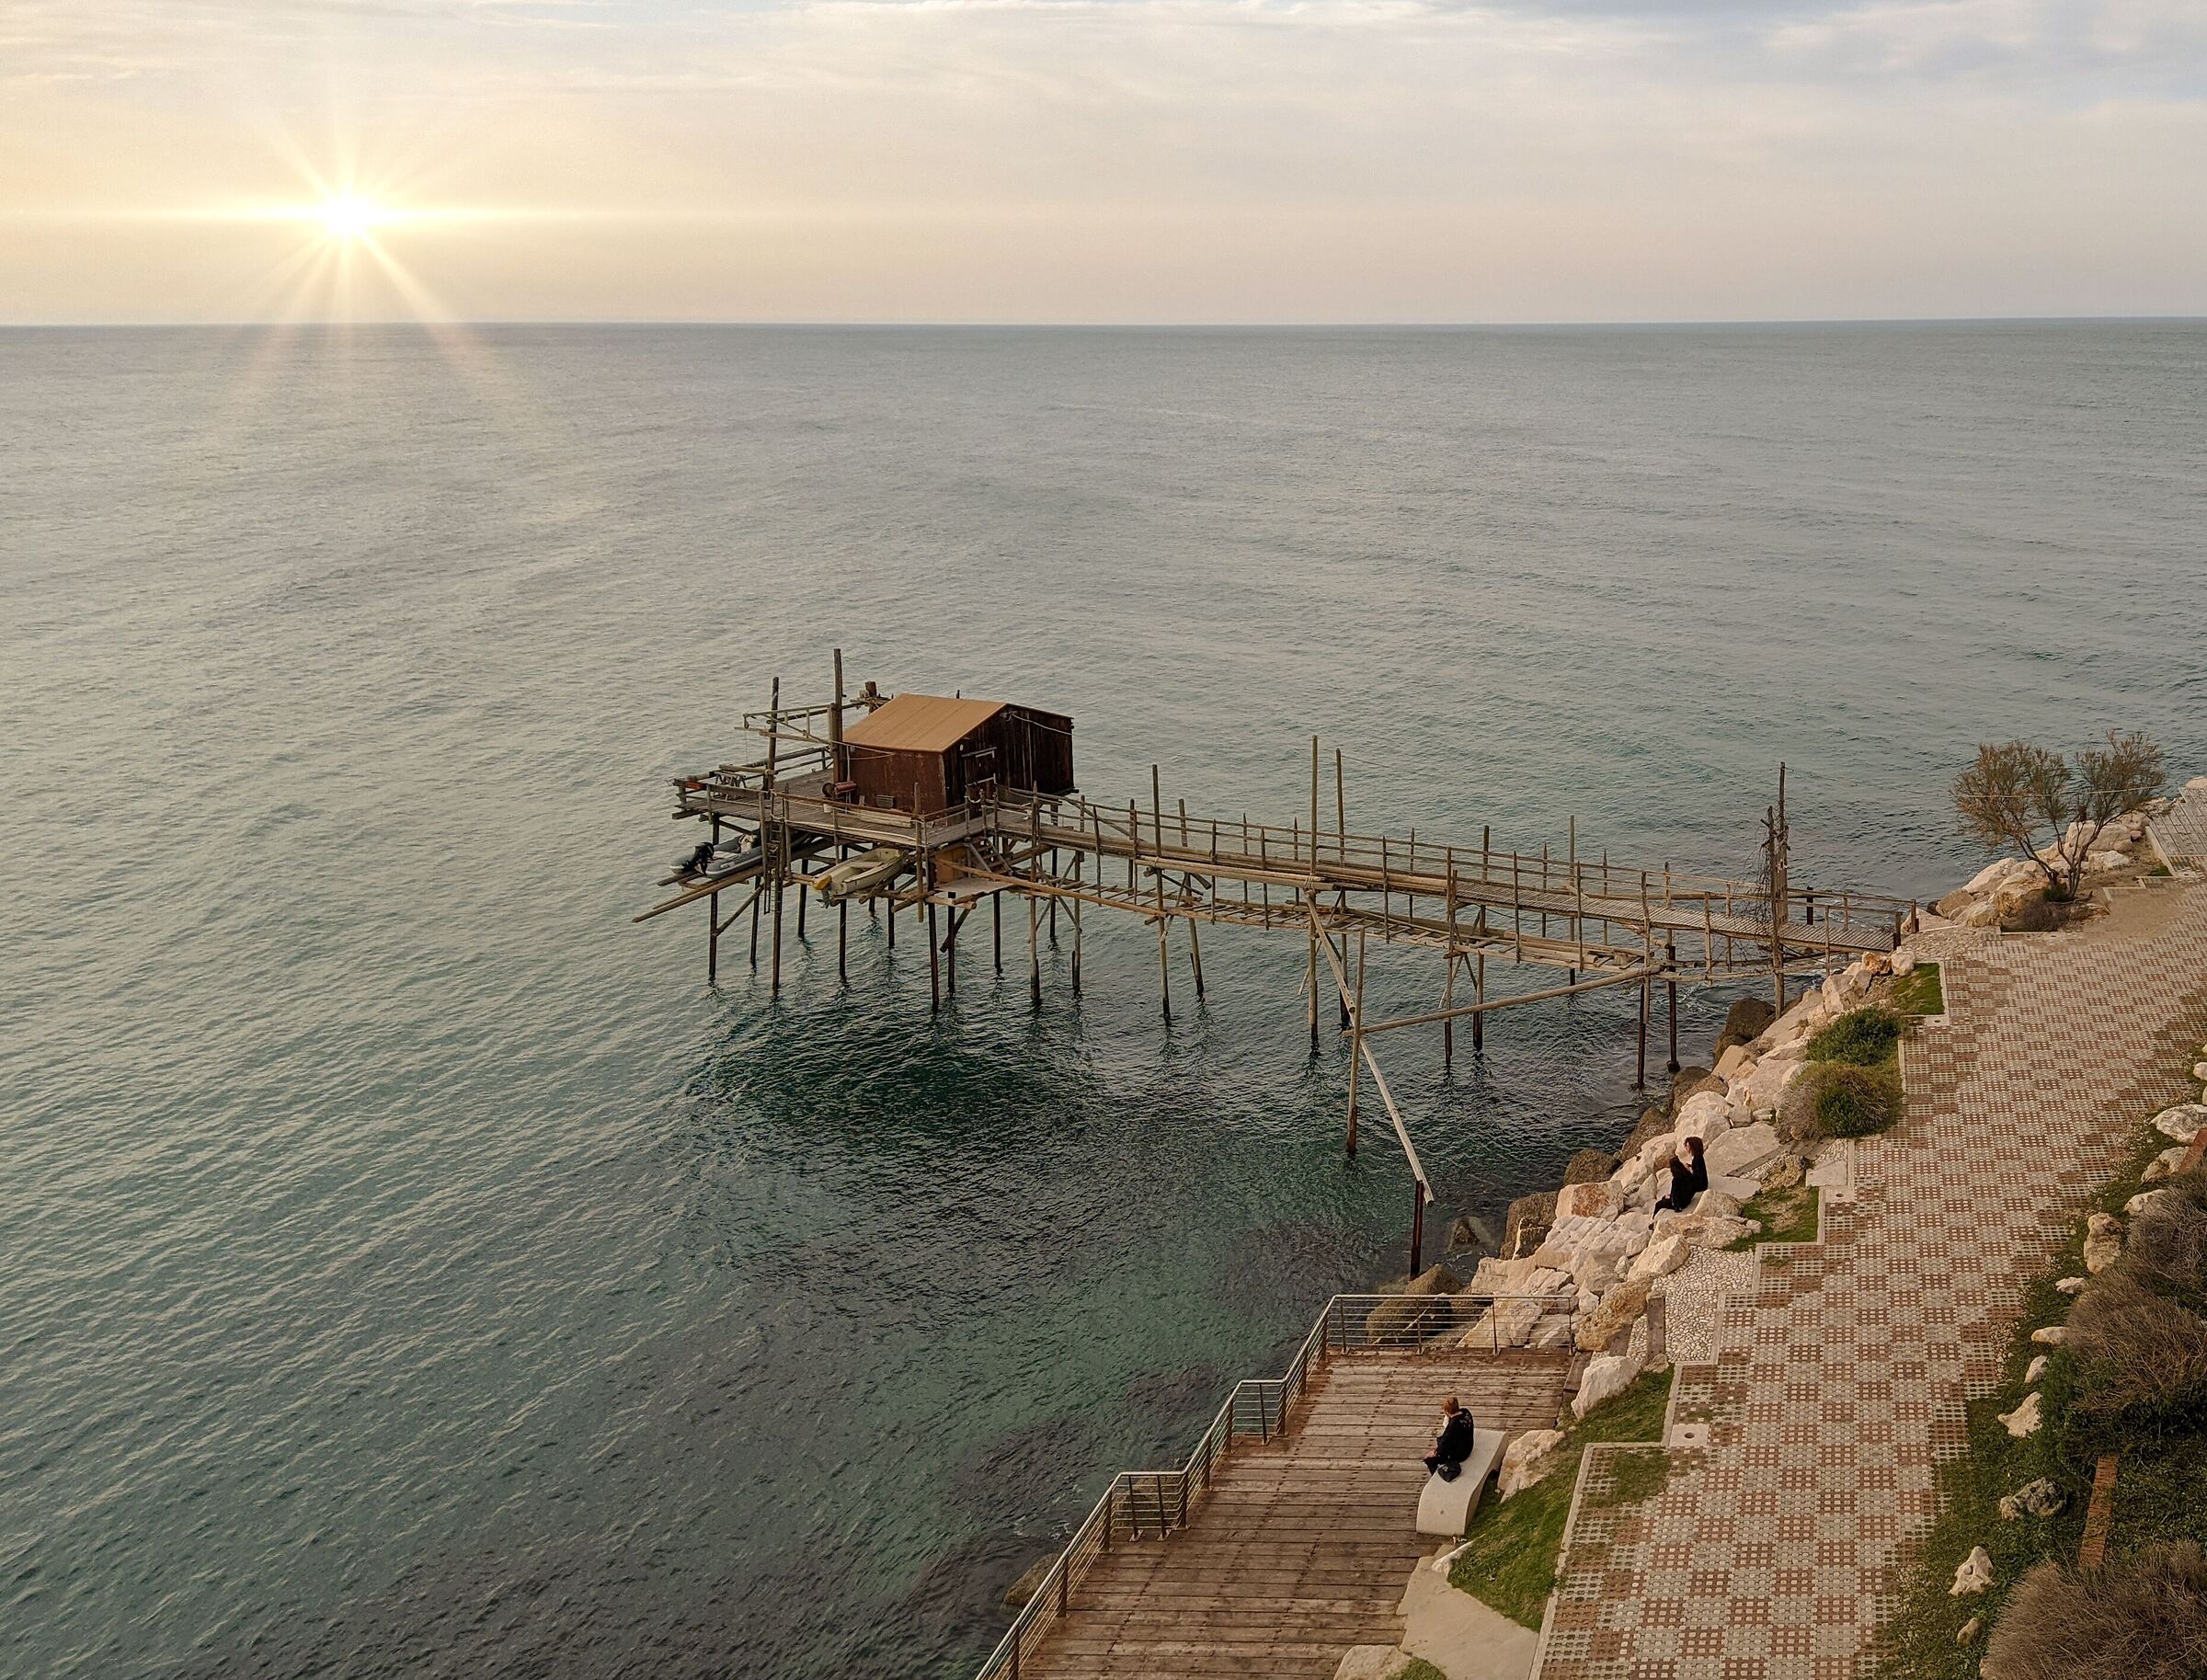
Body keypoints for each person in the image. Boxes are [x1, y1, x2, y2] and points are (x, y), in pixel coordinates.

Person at [1424, 1396, 1477, 1480]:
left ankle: (1436, 1478)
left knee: (1429, 1459)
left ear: (1447, 1411)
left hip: (1461, 1454)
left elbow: (1445, 1444)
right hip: (1468, 1444)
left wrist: (1435, 1453)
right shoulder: (1466, 1412)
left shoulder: (1453, 1426)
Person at [1655, 1135, 1710, 1213]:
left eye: (1687, 1146)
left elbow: (1676, 1197)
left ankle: (1653, 1218)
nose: (1686, 1148)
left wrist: (1687, 1170)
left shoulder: (1697, 1159)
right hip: (1694, 1188)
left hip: (1700, 1185)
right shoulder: (1698, 1157)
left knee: (1660, 1202)